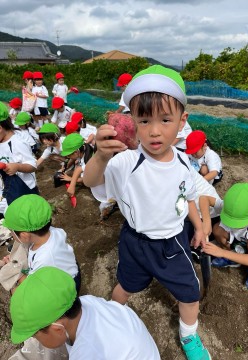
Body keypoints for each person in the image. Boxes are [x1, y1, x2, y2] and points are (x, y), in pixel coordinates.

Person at [83, 65, 210, 360]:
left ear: (182, 121)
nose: (154, 130)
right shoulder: (126, 162)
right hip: (135, 242)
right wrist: (101, 155)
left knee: (190, 295)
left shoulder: (182, 162)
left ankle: (189, 337)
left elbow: (188, 197)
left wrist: (201, 227)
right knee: (124, 287)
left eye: (165, 120)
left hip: (173, 243)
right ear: (133, 122)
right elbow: (90, 181)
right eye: (144, 120)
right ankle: (113, 321)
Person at [10, 266, 160, 359]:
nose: (35, 339)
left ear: (57, 328)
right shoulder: (88, 301)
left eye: (35, 335)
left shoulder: (87, 353)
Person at [2, 194, 80, 292]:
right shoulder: (53, 232)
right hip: (68, 270)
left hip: (65, 288)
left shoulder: (44, 258)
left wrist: (16, 272)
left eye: (11, 232)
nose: (11, 234)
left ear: (25, 236)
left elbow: (34, 284)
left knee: (16, 292)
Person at [204, 183, 248, 292]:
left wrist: (221, 252)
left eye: (238, 222)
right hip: (238, 242)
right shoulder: (230, 207)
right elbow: (204, 199)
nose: (234, 225)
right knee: (217, 228)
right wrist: (206, 222)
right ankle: (234, 257)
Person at [0, 102, 38, 205]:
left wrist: (17, 166)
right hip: (7, 187)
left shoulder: (18, 142)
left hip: (24, 190)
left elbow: (33, 165)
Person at [60, 133, 94, 197]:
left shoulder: (89, 161)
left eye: (69, 154)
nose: (68, 156)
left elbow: (86, 180)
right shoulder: (84, 148)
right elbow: (72, 159)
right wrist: (66, 166)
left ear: (76, 152)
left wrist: (70, 179)